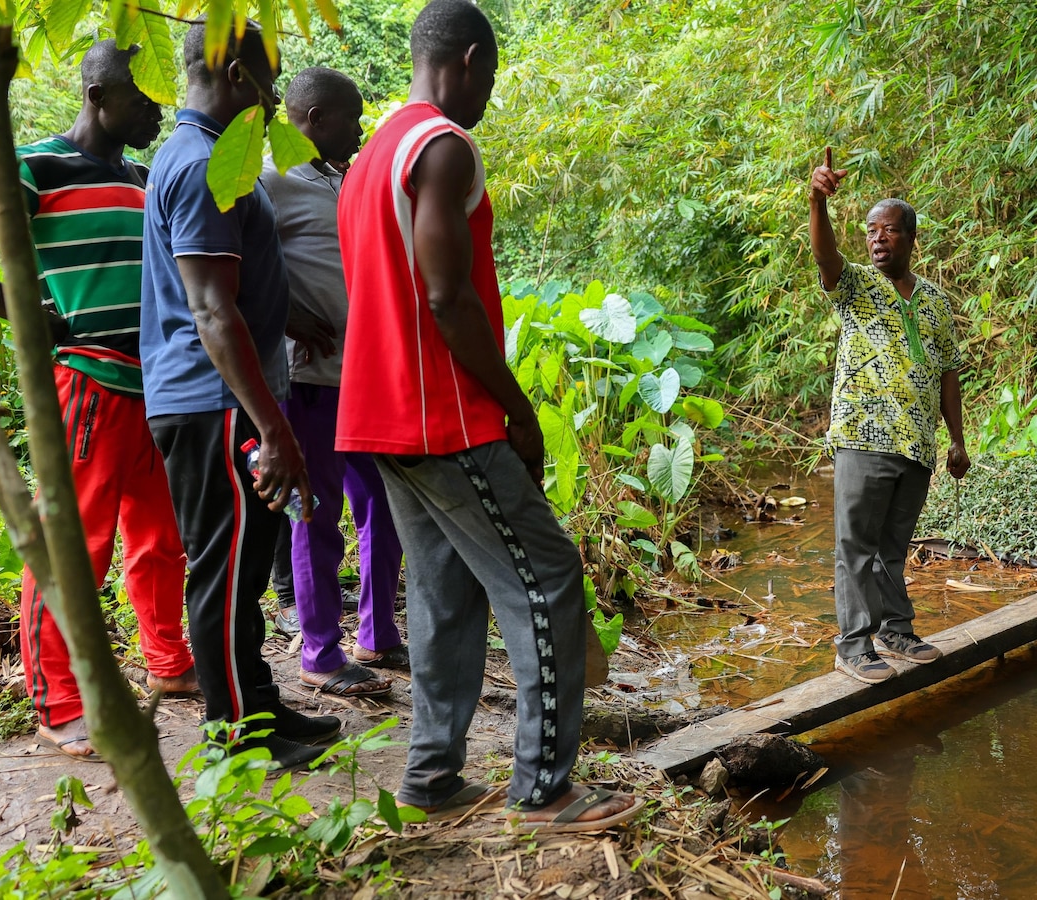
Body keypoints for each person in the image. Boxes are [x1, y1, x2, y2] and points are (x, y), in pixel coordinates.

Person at [335, 0, 640, 831]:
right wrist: (515, 407)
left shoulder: (370, 155)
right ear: (467, 59)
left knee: (445, 593)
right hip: (442, 416)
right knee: (546, 580)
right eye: (492, 76)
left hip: (379, 414)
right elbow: (445, 294)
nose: (489, 96)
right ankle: (545, 789)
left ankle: (431, 778)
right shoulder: (440, 144)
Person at [0, 41, 196, 761]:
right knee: (75, 546)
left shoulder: (140, 176)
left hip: (154, 382)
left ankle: (168, 660)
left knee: (160, 538)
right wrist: (26, 315)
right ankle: (60, 702)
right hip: (88, 381)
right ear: (97, 93)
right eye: (142, 98)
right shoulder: (34, 166)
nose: (156, 112)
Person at [140, 21, 340, 770]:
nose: (272, 101)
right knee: (224, 573)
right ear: (233, 79)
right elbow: (211, 311)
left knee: (247, 568)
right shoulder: (200, 166)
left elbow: (237, 286)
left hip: (223, 399)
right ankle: (234, 733)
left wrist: (293, 317)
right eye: (265, 82)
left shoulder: (215, 160)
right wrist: (273, 426)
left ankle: (257, 701)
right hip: (212, 402)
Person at [257, 67, 406, 698]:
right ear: (314, 118)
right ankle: (320, 651)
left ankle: (376, 630)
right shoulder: (267, 179)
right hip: (309, 379)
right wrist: (287, 313)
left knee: (384, 506)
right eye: (352, 116)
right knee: (314, 514)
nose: (361, 125)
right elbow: (235, 263)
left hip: (365, 376)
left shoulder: (339, 176)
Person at [810, 147, 969, 685]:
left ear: (911, 238)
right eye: (871, 230)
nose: (877, 238)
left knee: (893, 548)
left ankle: (894, 631)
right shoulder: (855, 287)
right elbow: (825, 258)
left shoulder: (936, 302)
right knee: (855, 544)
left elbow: (948, 371)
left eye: (889, 230)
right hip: (862, 435)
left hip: (917, 443)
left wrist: (957, 441)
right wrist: (817, 201)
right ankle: (853, 645)